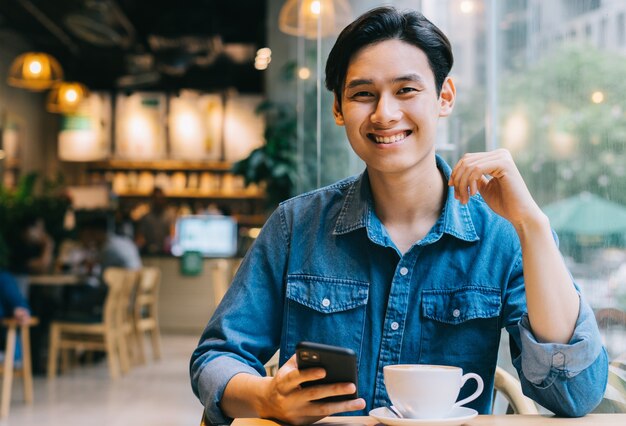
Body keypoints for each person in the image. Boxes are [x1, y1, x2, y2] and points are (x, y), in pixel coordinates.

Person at [190, 7, 608, 425]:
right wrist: (266, 398)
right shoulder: (295, 225)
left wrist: (532, 226)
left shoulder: (502, 237)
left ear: (444, 98)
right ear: (338, 109)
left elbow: (575, 394)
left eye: (406, 90)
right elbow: (217, 357)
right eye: (362, 94)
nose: (384, 114)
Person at [135, 187, 174, 255]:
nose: (158, 201)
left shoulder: (169, 217)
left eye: (160, 199)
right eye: (156, 199)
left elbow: (173, 235)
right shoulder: (146, 218)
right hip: (149, 253)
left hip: (166, 253)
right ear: (152, 200)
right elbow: (140, 238)